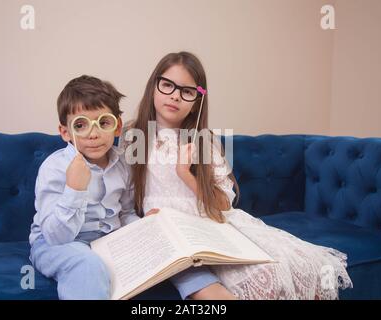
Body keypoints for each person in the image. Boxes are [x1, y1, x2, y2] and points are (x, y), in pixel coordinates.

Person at [122, 52, 353, 299]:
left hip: (211, 227)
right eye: (167, 85)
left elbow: (223, 205)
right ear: (154, 86)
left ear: (196, 102)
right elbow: (124, 198)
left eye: (186, 91)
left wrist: (185, 173)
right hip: (170, 233)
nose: (175, 95)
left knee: (280, 276)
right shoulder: (134, 137)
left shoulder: (204, 142)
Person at [28, 75, 159, 299]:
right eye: (80, 125)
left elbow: (125, 212)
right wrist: (74, 189)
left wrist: (143, 227)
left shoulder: (123, 164)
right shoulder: (54, 168)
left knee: (152, 255)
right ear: (65, 132)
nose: (93, 133)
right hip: (56, 243)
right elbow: (54, 236)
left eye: (104, 122)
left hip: (106, 242)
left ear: (117, 126)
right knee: (86, 263)